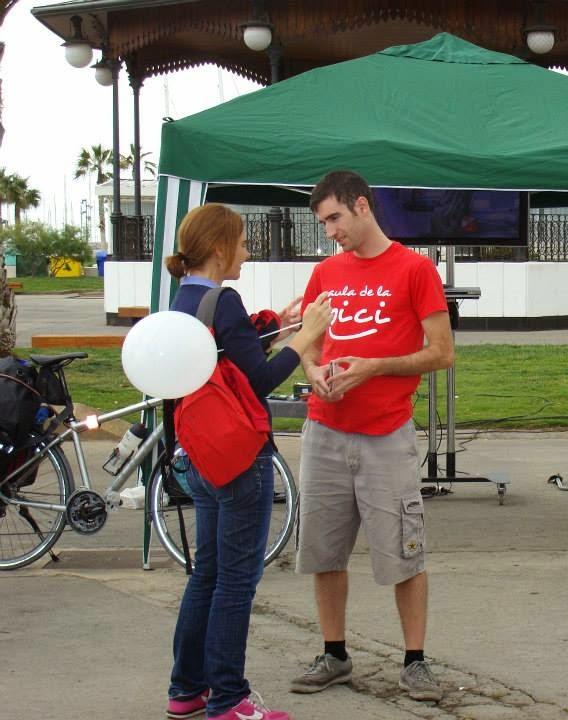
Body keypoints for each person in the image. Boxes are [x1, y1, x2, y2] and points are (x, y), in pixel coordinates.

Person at [290, 171, 454, 702]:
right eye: (323, 223)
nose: (330, 231)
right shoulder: (325, 274)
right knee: (324, 550)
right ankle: (334, 653)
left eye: (335, 218)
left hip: (386, 435)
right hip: (325, 430)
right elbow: (308, 343)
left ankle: (415, 661)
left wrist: (376, 367)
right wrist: (313, 371)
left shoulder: (415, 269)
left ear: (362, 206)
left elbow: (442, 353)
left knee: (404, 551)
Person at [164, 203, 332, 720]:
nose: (247, 250)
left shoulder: (183, 298)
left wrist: (275, 325)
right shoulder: (224, 298)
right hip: (240, 458)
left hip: (200, 454)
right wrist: (307, 334)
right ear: (219, 249)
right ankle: (229, 698)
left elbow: (231, 356)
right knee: (236, 582)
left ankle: (186, 688)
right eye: (241, 242)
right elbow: (257, 379)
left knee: (207, 575)